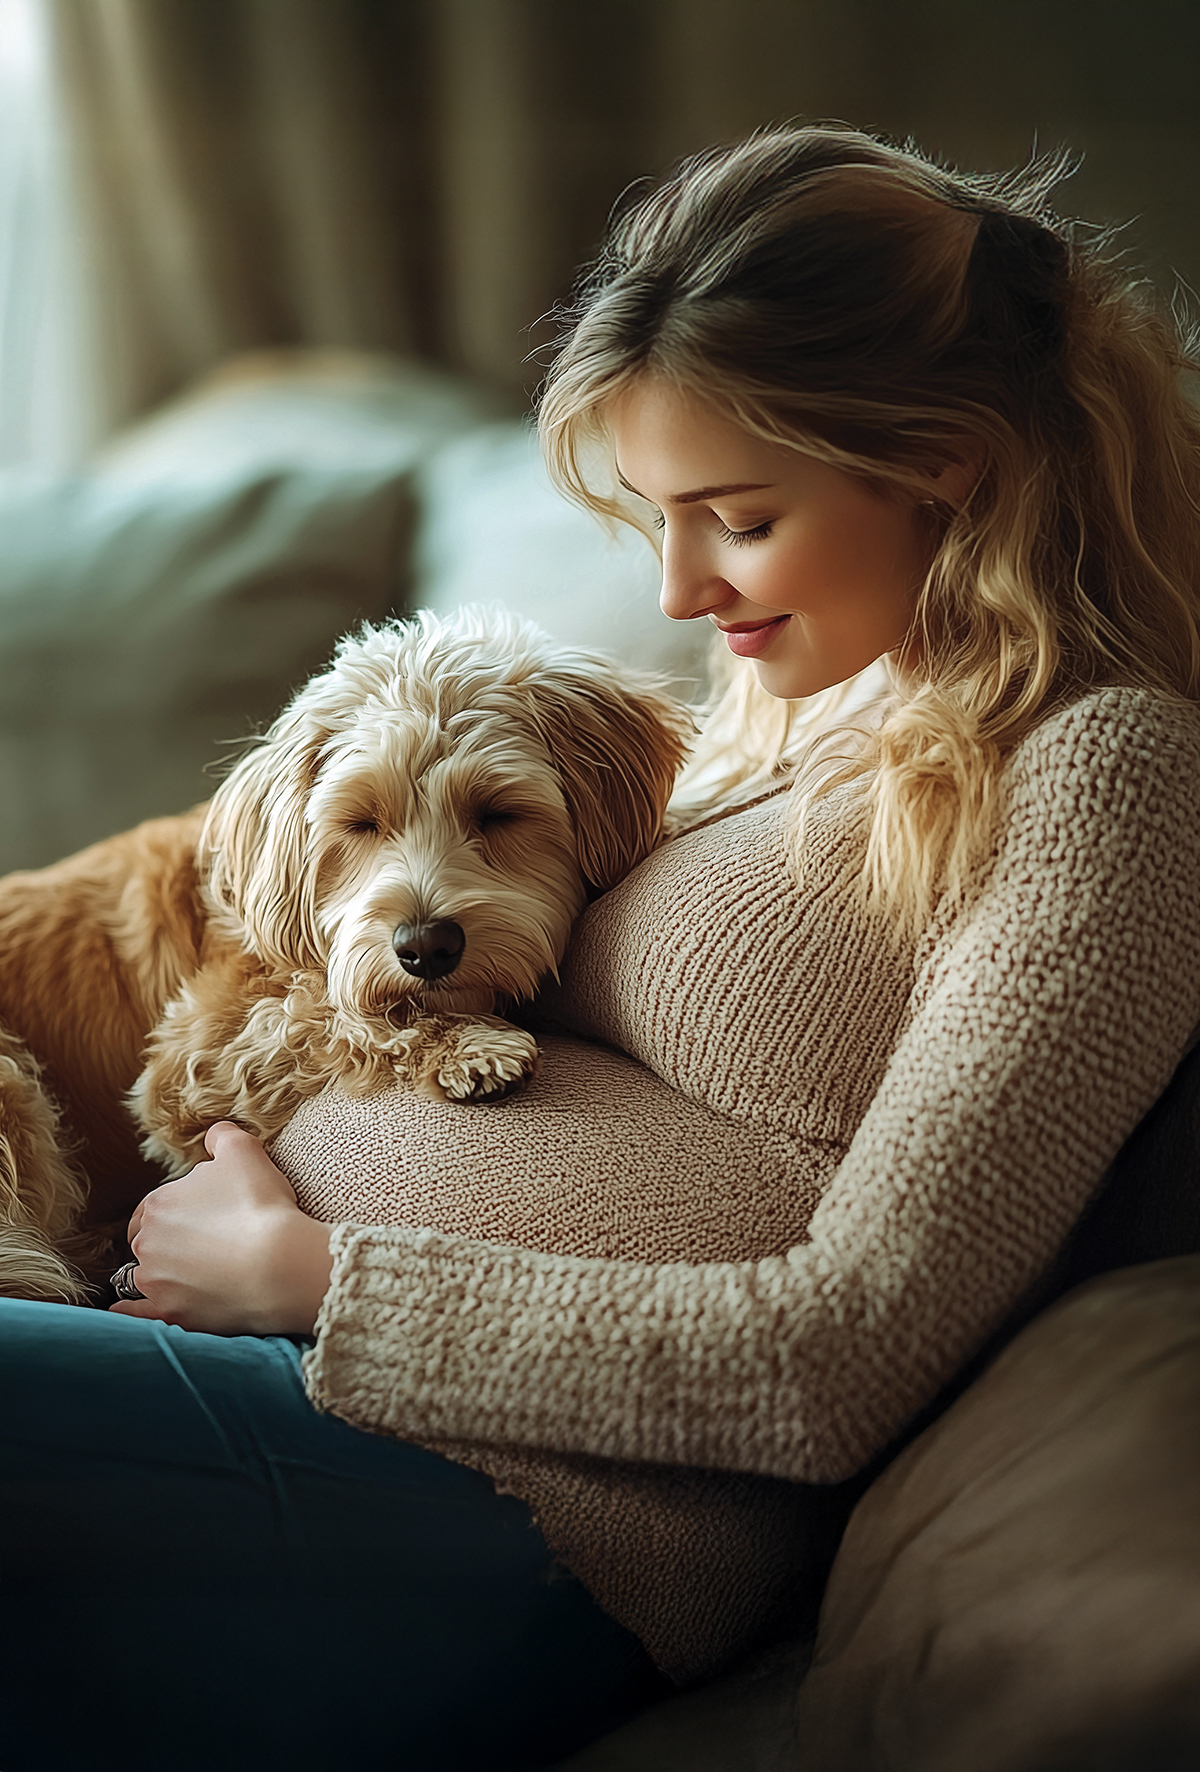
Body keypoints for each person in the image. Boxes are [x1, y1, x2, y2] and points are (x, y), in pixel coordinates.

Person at [5, 124, 1200, 1771]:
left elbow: (838, 1359)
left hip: (494, 1498)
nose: (681, 586)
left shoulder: (1105, 769)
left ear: (952, 467)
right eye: (658, 516)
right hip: (290, 1390)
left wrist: (310, 1276)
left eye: (739, 517)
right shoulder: (791, 704)